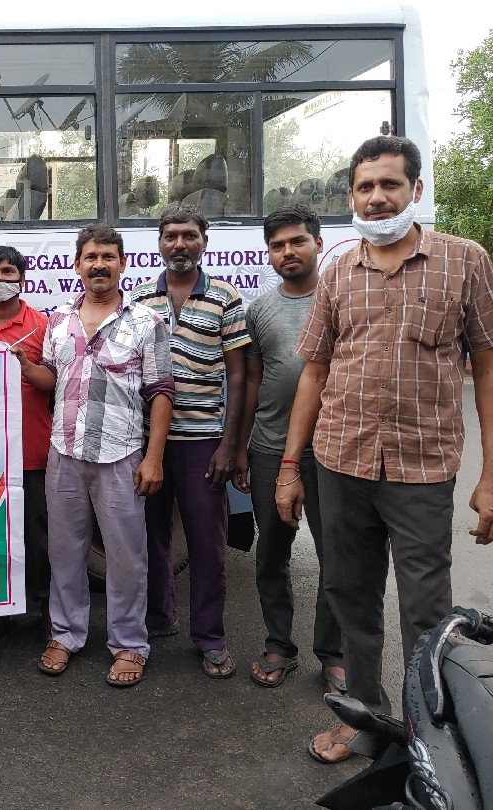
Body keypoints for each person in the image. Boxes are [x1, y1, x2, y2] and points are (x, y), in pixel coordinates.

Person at [276, 135, 493, 764]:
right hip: (341, 461)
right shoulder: (339, 271)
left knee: (427, 610)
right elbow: (314, 372)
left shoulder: (464, 261)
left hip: (423, 468)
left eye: (390, 184)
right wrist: (290, 467)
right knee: (350, 595)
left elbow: (486, 366)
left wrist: (490, 477)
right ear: (351, 196)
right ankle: (367, 718)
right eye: (365, 187)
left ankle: (429, 736)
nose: (377, 197)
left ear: (415, 190)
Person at [14, 224, 174, 686]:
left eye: (107, 257)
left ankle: (129, 644)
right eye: (91, 257)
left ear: (123, 263)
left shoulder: (146, 322)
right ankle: (65, 634)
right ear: (77, 265)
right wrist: (24, 366)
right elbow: (51, 379)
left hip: (121, 454)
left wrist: (154, 458)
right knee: (64, 551)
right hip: (64, 452)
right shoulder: (58, 320)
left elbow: (162, 391)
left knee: (126, 556)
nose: (99, 265)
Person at [132, 202, 249, 679]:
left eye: (189, 235)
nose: (179, 244)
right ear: (159, 243)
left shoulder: (225, 297)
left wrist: (230, 446)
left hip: (204, 442)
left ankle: (210, 638)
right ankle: (160, 619)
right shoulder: (140, 298)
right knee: (151, 537)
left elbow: (238, 377)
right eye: (171, 236)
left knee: (207, 545)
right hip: (148, 442)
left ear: (204, 241)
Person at [232, 203, 344, 691]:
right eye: (277, 246)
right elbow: (253, 382)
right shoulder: (259, 310)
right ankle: (279, 644)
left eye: (297, 241)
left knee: (335, 556)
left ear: (318, 243)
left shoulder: (342, 298)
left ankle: (334, 653)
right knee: (271, 553)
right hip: (268, 448)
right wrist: (241, 447)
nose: (288, 252)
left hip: (333, 451)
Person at [0, 246, 52, 640]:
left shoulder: (44, 325)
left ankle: (47, 608)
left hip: (33, 451)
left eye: (7, 272)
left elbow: (53, 382)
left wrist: (25, 365)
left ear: (22, 278)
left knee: (40, 538)